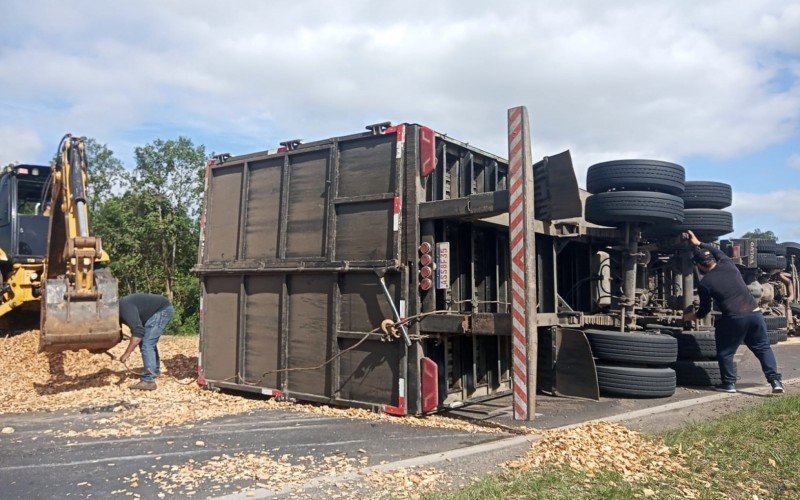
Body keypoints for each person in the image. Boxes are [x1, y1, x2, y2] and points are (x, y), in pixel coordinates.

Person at [682, 230, 784, 394]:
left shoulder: (705, 283)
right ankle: (775, 382)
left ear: (700, 266)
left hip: (735, 319)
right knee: (763, 348)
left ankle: (729, 384)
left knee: (725, 352)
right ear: (713, 260)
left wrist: (690, 316)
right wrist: (699, 243)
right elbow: (716, 251)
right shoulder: (728, 264)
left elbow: (704, 310)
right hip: (755, 314)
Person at [118, 293, 174, 391]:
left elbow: (138, 332)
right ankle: (154, 371)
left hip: (162, 310)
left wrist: (126, 354)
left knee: (147, 343)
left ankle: (148, 381)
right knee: (147, 342)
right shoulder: (120, 309)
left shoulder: (124, 307)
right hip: (159, 309)